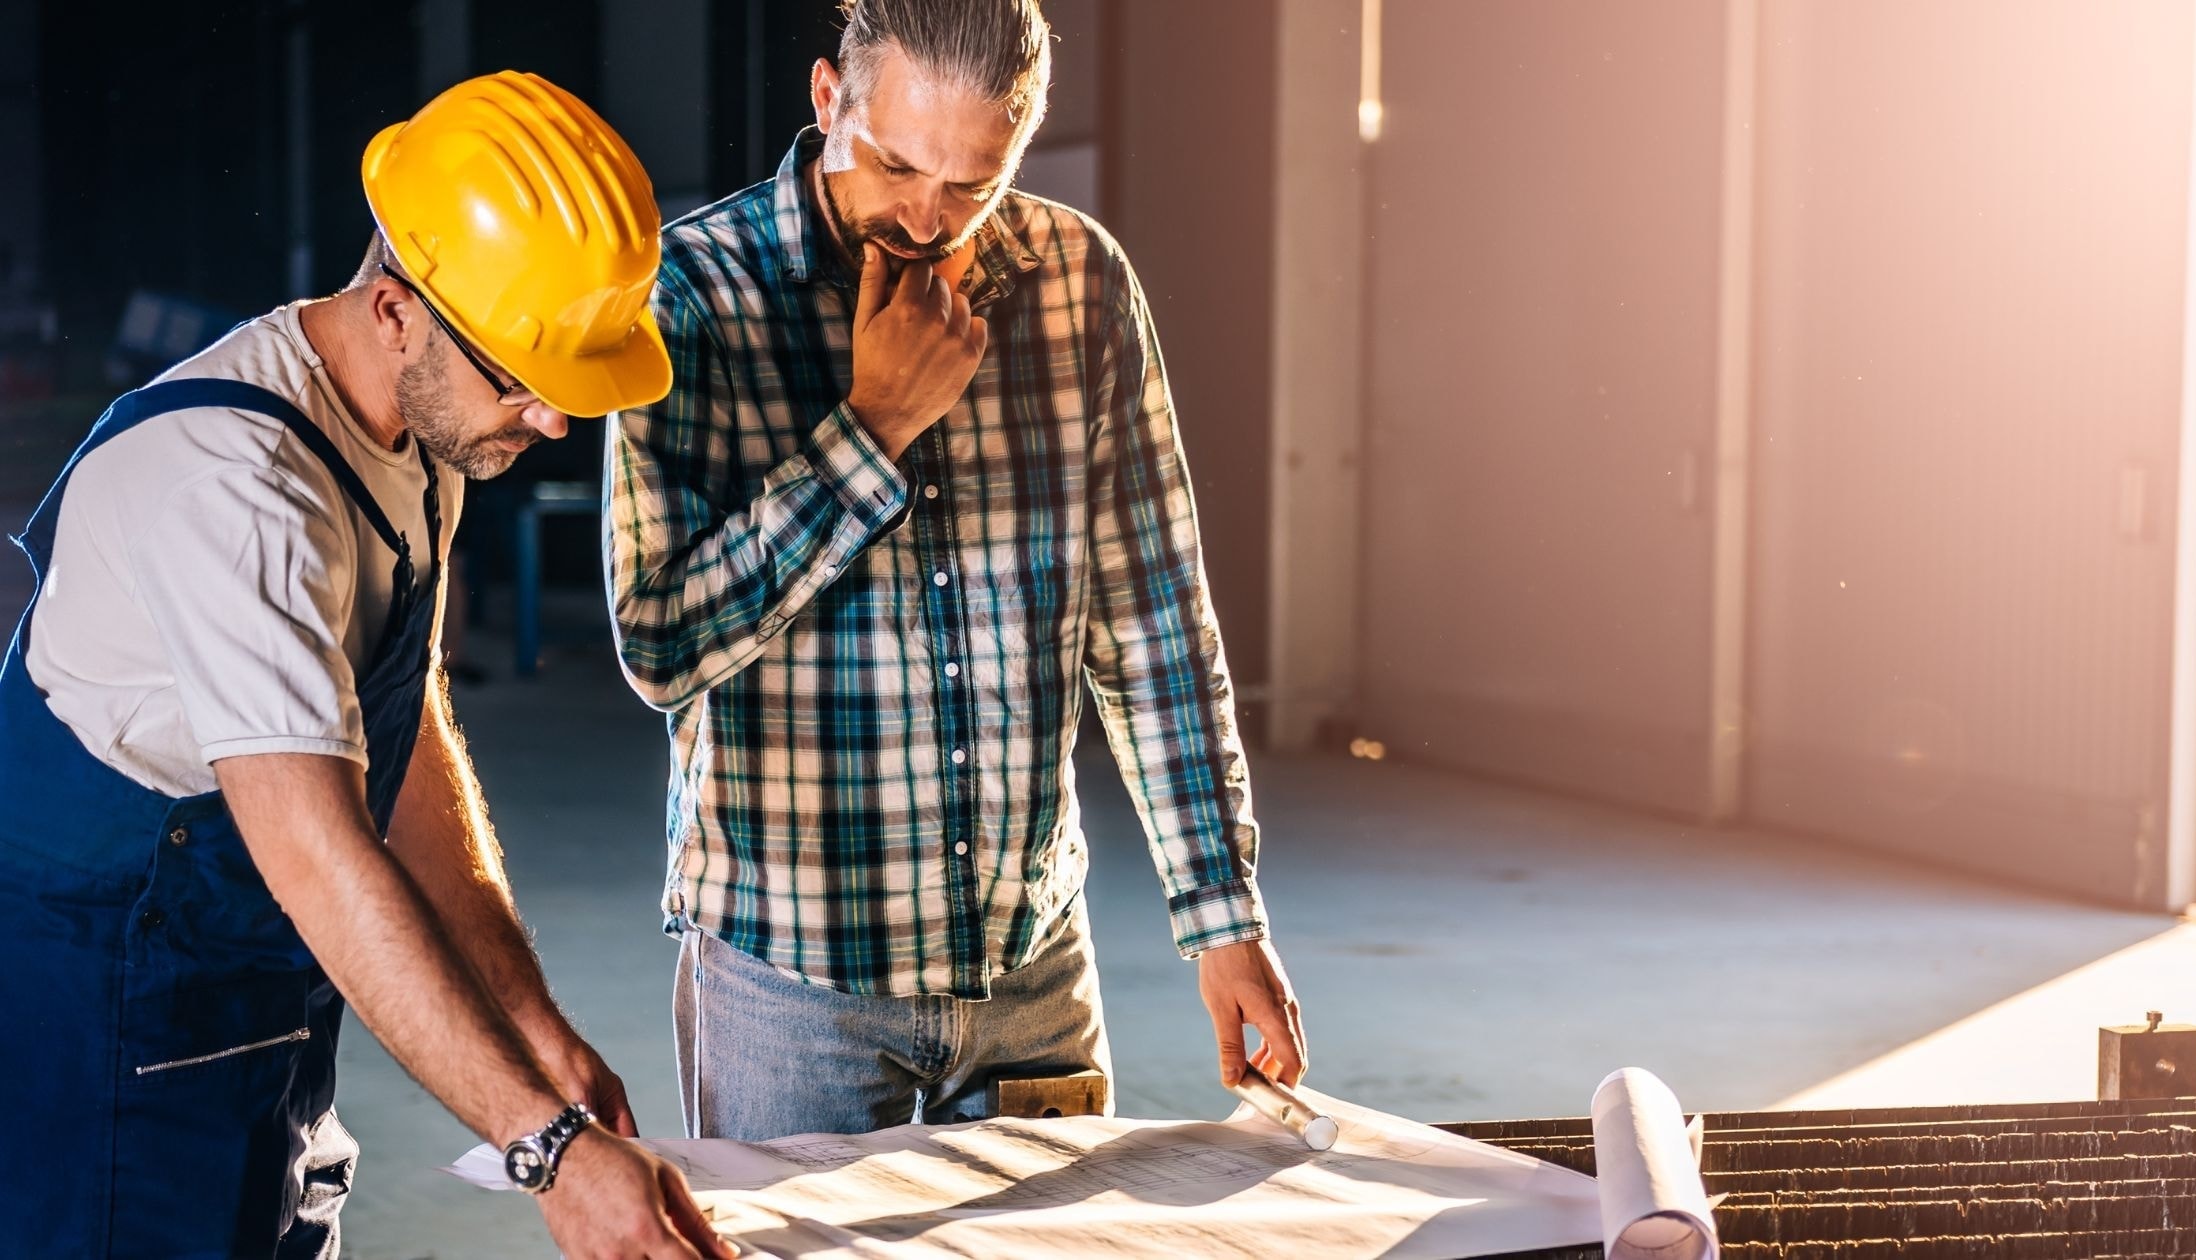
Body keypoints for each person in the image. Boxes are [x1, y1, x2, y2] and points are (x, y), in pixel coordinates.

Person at [0, 72, 733, 1260]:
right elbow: (322, 855)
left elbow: (405, 730)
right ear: (392, 309)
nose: (549, 421)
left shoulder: (422, 429)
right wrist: (543, 1150)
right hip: (104, 1046)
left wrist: (527, 1021)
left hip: (264, 1032)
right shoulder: (235, 494)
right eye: (518, 379)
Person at [607, 0, 1309, 1141]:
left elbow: (1154, 628)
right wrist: (872, 427)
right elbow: (660, 643)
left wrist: (1223, 918)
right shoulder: (693, 294)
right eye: (895, 165)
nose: (927, 218)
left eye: (971, 184)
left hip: (1029, 975)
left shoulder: (1077, 281)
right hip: (792, 984)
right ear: (829, 100)